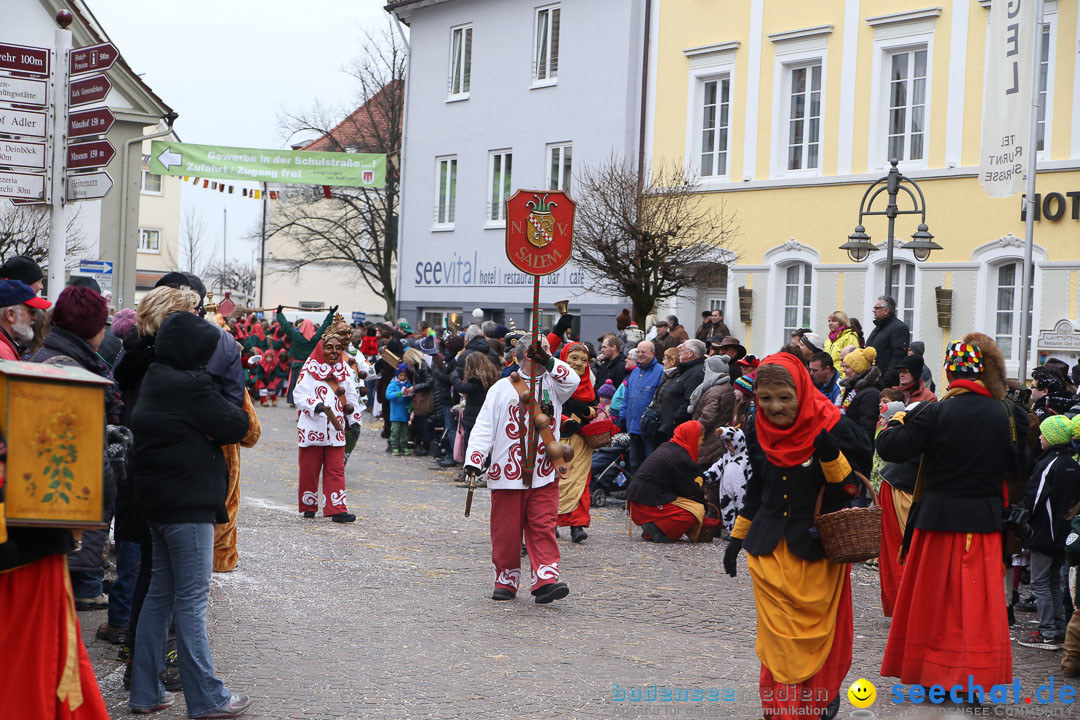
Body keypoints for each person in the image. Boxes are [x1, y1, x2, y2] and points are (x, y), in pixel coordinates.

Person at [876, 333, 1028, 691]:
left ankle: (933, 672)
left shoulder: (935, 412)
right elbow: (1020, 466)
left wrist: (896, 419)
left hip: (938, 522)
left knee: (935, 603)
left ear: (949, 371)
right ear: (979, 371)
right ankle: (975, 673)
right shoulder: (1007, 414)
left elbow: (890, 449)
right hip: (986, 522)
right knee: (977, 604)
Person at [723, 352, 871, 719]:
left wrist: (831, 457)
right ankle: (780, 708)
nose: (774, 407)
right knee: (776, 638)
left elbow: (851, 490)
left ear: (801, 392)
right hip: (770, 552)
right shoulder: (758, 427)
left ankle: (815, 702)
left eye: (784, 398)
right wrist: (737, 537)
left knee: (819, 636)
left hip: (817, 550)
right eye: (766, 397)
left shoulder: (834, 427)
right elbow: (758, 487)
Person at [129, 311, 253, 718]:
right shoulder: (191, 385)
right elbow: (237, 425)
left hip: (158, 504)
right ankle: (208, 698)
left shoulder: (155, 377)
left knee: (160, 595)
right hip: (188, 507)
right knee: (192, 601)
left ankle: (145, 691)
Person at [464, 338, 580, 603]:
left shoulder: (554, 385)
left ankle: (545, 580)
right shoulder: (501, 388)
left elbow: (573, 380)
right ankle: (506, 579)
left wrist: (548, 359)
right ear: (522, 356)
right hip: (507, 473)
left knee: (543, 526)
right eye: (537, 353)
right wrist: (475, 458)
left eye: (547, 352)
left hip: (544, 472)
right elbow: (485, 426)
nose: (543, 356)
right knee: (506, 531)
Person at [1017, 414, 1080, 650]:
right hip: (1064, 533)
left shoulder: (1048, 464)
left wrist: (1024, 523)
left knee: (1041, 582)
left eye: (1044, 433)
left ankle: (1047, 632)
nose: (1040, 437)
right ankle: (1058, 627)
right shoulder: (1073, 464)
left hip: (1045, 533)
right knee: (1054, 582)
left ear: (1052, 438)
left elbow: (1034, 498)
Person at [293, 327, 362, 522]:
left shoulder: (345, 371)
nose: (333, 351)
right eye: (329, 347)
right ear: (321, 348)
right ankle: (309, 505)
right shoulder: (309, 370)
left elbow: (351, 397)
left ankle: (337, 509)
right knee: (309, 469)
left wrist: (355, 421)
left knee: (336, 468)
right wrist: (316, 405)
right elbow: (298, 395)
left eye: (338, 348)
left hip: (336, 430)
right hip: (313, 428)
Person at [627, 421, 708, 542]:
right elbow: (688, 491)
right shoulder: (680, 457)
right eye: (700, 438)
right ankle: (658, 530)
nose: (702, 443)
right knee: (695, 511)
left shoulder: (669, 447)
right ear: (691, 437)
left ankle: (655, 527)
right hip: (644, 503)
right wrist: (699, 482)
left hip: (639, 497)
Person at [555, 342, 600, 543]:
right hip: (556, 439)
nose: (578, 364)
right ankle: (551, 521)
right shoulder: (553, 381)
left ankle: (577, 524)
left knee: (581, 483)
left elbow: (593, 407)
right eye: (574, 358)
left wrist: (588, 411)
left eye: (583, 360)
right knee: (556, 481)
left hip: (581, 442)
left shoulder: (589, 383)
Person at [275, 305, 335, 407]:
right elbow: (325, 327)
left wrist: (279, 314)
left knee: (297, 385)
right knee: (309, 387)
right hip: (311, 366)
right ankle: (310, 402)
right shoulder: (316, 337)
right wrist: (330, 314)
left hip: (298, 366)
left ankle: (295, 402)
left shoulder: (297, 337)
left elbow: (286, 327)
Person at [623, 340, 664, 473]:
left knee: (650, 465)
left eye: (643, 352)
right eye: (638, 351)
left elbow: (660, 400)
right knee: (634, 463)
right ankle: (635, 491)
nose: (640, 355)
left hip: (649, 429)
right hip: (633, 427)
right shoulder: (634, 373)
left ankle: (649, 492)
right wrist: (622, 417)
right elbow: (626, 398)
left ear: (652, 353)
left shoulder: (660, 372)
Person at [690, 355, 735, 468]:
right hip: (719, 437)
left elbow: (707, 417)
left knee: (705, 474)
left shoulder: (713, 392)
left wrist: (694, 431)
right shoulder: (728, 386)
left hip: (709, 440)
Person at [659, 339, 707, 440]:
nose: (679, 353)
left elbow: (690, 401)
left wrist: (675, 419)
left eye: (682, 350)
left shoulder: (696, 373)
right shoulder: (686, 370)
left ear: (690, 353)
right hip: (671, 427)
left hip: (679, 429)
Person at [452, 351, 499, 454]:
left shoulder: (476, 380)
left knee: (473, 444)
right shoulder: (490, 376)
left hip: (473, 414)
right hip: (485, 412)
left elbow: (462, 387)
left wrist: (454, 376)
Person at [837, 346, 881, 443]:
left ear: (858, 369)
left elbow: (867, 429)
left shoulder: (871, 394)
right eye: (843, 366)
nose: (844, 370)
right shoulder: (848, 389)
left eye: (847, 367)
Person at [0, 278, 51, 360]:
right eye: (31, 312)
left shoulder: (7, 347)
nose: (35, 318)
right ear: (11, 314)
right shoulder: (3, 353)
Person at [866, 296, 910, 387]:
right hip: (872, 380)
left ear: (886, 311)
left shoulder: (899, 328)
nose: (873, 310)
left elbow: (898, 358)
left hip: (883, 384)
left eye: (877, 308)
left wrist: (884, 382)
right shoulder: (878, 329)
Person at [386, 363, 414, 455]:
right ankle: (395, 446)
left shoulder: (408, 384)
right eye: (401, 375)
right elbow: (388, 395)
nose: (403, 377)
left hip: (404, 412)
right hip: (395, 413)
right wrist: (397, 394)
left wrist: (410, 404)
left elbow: (410, 397)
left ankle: (404, 446)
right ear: (397, 375)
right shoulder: (393, 384)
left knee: (404, 431)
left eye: (405, 375)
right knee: (395, 430)